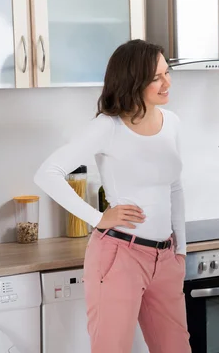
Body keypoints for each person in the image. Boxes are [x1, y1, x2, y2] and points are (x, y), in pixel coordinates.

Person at [34, 39, 191, 353]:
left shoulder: (171, 122)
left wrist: (181, 251)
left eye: (167, 72)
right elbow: (47, 173)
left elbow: (174, 187)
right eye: (156, 77)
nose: (167, 82)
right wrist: (99, 217)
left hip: (165, 257)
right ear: (134, 82)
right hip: (120, 256)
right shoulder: (107, 127)